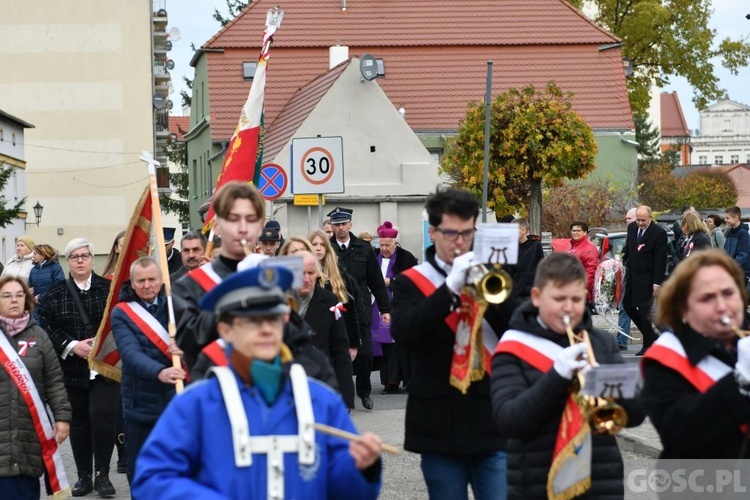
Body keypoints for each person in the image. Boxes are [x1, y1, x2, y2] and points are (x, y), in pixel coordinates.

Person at [133, 265, 383, 499]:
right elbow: (152, 479)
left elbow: (347, 491)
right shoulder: (196, 404)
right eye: (252, 320)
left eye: (273, 318)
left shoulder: (321, 400)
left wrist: (363, 469)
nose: (266, 329)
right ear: (225, 329)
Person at [391, 186, 520, 500]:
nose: (459, 242)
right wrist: (450, 287)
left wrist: (488, 282)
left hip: (490, 421)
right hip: (438, 424)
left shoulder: (492, 275)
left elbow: (515, 329)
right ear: (433, 232)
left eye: (466, 232)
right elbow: (406, 333)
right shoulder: (410, 280)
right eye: (451, 233)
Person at [491, 253, 645, 499]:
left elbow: (635, 415)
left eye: (576, 299)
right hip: (537, 484)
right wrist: (557, 375)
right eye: (559, 298)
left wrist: (608, 382)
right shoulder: (514, 346)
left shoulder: (602, 343)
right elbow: (510, 421)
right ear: (536, 297)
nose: (568, 307)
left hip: (601, 484)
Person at [641, 249, 750, 458]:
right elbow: (677, 433)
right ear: (683, 309)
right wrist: (740, 381)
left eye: (728, 293)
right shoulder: (666, 358)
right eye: (707, 298)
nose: (722, 306)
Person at [39, 238, 119, 497]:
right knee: (80, 422)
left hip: (103, 367)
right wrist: (72, 345)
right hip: (72, 368)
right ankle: (84, 476)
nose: (81, 260)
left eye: (85, 256)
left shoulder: (109, 289)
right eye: (75, 257)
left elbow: (116, 322)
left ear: (92, 259)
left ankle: (103, 475)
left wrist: (97, 346)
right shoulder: (55, 293)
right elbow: (48, 326)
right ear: (68, 261)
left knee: (103, 418)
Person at [173, 182, 266, 367]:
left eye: (251, 219)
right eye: (233, 219)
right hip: (213, 387)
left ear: (261, 226)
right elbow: (190, 343)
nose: (243, 228)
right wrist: (238, 291)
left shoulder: (275, 278)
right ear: (216, 226)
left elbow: (295, 340)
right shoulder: (188, 286)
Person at [110, 257, 186, 484]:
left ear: (161, 280)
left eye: (152, 279)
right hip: (140, 407)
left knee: (178, 470)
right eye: (140, 280)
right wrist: (159, 372)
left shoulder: (176, 306)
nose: (147, 285)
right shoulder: (121, 313)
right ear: (132, 283)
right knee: (143, 473)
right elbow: (131, 354)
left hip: (177, 403)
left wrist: (185, 348)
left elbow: (197, 342)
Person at [0, 275, 72, 499]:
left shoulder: (39, 336)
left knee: (24, 489)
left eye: (19, 295)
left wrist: (62, 418)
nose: (14, 300)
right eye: (7, 295)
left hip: (28, 434)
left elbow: (54, 381)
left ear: (26, 299)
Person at [329, 206, 391, 410]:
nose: (340, 228)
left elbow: (376, 282)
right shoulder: (328, 249)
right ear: (332, 226)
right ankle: (344, 397)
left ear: (350, 225)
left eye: (343, 224)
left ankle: (363, 392)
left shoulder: (364, 249)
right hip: (336, 309)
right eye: (337, 224)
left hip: (361, 309)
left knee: (365, 355)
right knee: (341, 355)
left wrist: (385, 310)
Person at [294, 250, 355, 409]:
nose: (307, 279)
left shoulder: (329, 301)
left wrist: (346, 397)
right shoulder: (279, 302)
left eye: (311, 273)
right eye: (302, 273)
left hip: (321, 386)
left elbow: (340, 349)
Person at [373, 221, 418, 394]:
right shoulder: (373, 255)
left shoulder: (406, 257)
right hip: (375, 306)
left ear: (395, 243)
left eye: (387, 245)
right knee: (382, 344)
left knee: (396, 345)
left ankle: (402, 380)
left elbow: (413, 280)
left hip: (399, 307)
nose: (383, 248)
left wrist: (391, 282)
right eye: (381, 244)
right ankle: (388, 381)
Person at [309, 228, 364, 367]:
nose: (318, 248)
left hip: (337, 335)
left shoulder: (339, 274)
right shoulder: (304, 274)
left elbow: (350, 309)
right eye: (314, 244)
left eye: (322, 245)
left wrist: (353, 343)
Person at [621, 205, 668, 356]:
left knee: (644, 311)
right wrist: (620, 260)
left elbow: (660, 260)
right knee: (627, 305)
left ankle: (647, 344)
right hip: (632, 276)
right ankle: (651, 336)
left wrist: (657, 283)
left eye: (643, 220)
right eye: (638, 220)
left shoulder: (658, 233)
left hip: (648, 279)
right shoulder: (632, 229)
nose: (640, 223)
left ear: (650, 218)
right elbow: (628, 249)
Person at [615, 208, 636, 350]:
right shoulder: (630, 233)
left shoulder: (641, 235)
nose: (627, 221)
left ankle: (668, 335)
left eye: (629, 218)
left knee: (651, 311)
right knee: (624, 308)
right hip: (629, 277)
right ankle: (621, 341)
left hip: (640, 279)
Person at [27, 244, 65, 322]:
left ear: (43, 255)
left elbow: (60, 287)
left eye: (35, 254)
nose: (32, 256)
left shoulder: (56, 268)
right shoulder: (33, 270)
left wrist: (42, 297)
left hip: (52, 309)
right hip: (36, 310)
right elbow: (30, 287)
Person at [509, 218, 544, 301]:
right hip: (516, 291)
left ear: (523, 230)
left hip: (531, 291)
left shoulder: (536, 245)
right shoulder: (512, 247)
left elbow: (541, 267)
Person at [567, 220, 598, 305]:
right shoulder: (572, 246)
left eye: (578, 230)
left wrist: (584, 288)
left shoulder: (589, 248)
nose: (575, 233)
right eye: (573, 230)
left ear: (585, 233)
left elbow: (591, 270)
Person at [723, 205, 750, 291]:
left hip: (741, 272)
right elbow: (725, 250)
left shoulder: (743, 233)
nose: (725, 220)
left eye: (727, 218)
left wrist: (731, 266)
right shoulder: (730, 232)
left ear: (736, 218)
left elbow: (743, 255)